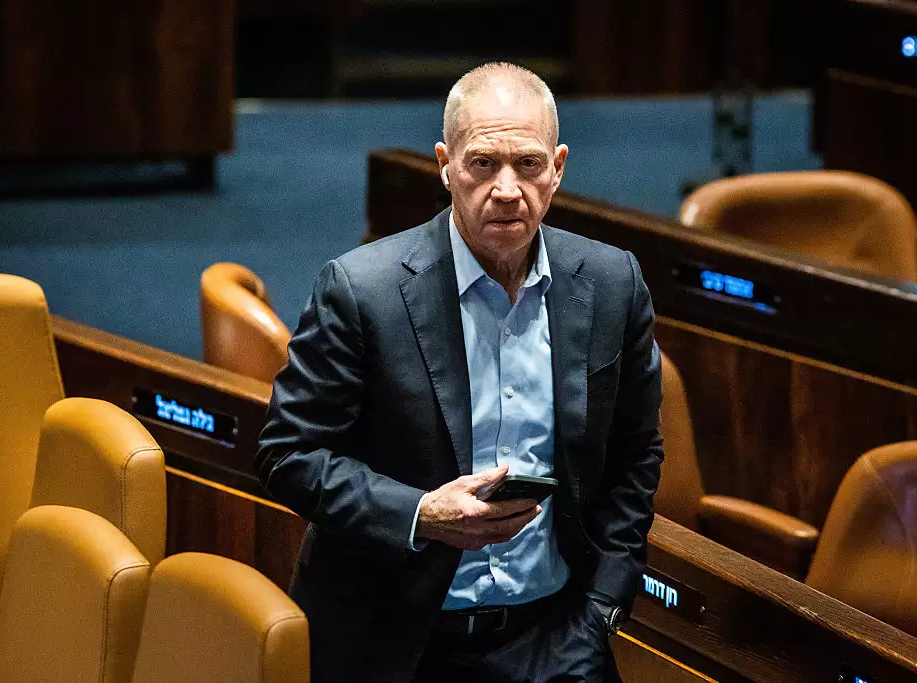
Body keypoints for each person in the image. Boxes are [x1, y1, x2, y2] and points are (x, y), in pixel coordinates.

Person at [256, 62, 663, 683]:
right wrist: (421, 513)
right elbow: (288, 453)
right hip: (398, 644)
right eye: (483, 164)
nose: (507, 188)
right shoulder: (362, 291)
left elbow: (637, 454)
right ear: (446, 165)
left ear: (557, 168)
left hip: (557, 640)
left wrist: (602, 607)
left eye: (528, 164)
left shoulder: (612, 284)